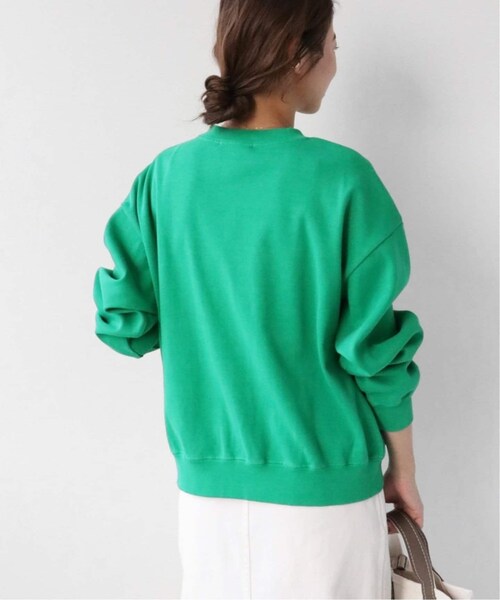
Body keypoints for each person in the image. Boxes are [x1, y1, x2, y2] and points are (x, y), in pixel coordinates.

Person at [93, 0, 425, 598]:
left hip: (208, 504)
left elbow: (124, 324)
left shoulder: (165, 179)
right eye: (333, 47)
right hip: (326, 499)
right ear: (299, 55)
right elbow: (375, 352)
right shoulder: (344, 179)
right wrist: (403, 469)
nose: (335, 63)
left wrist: (201, 297)